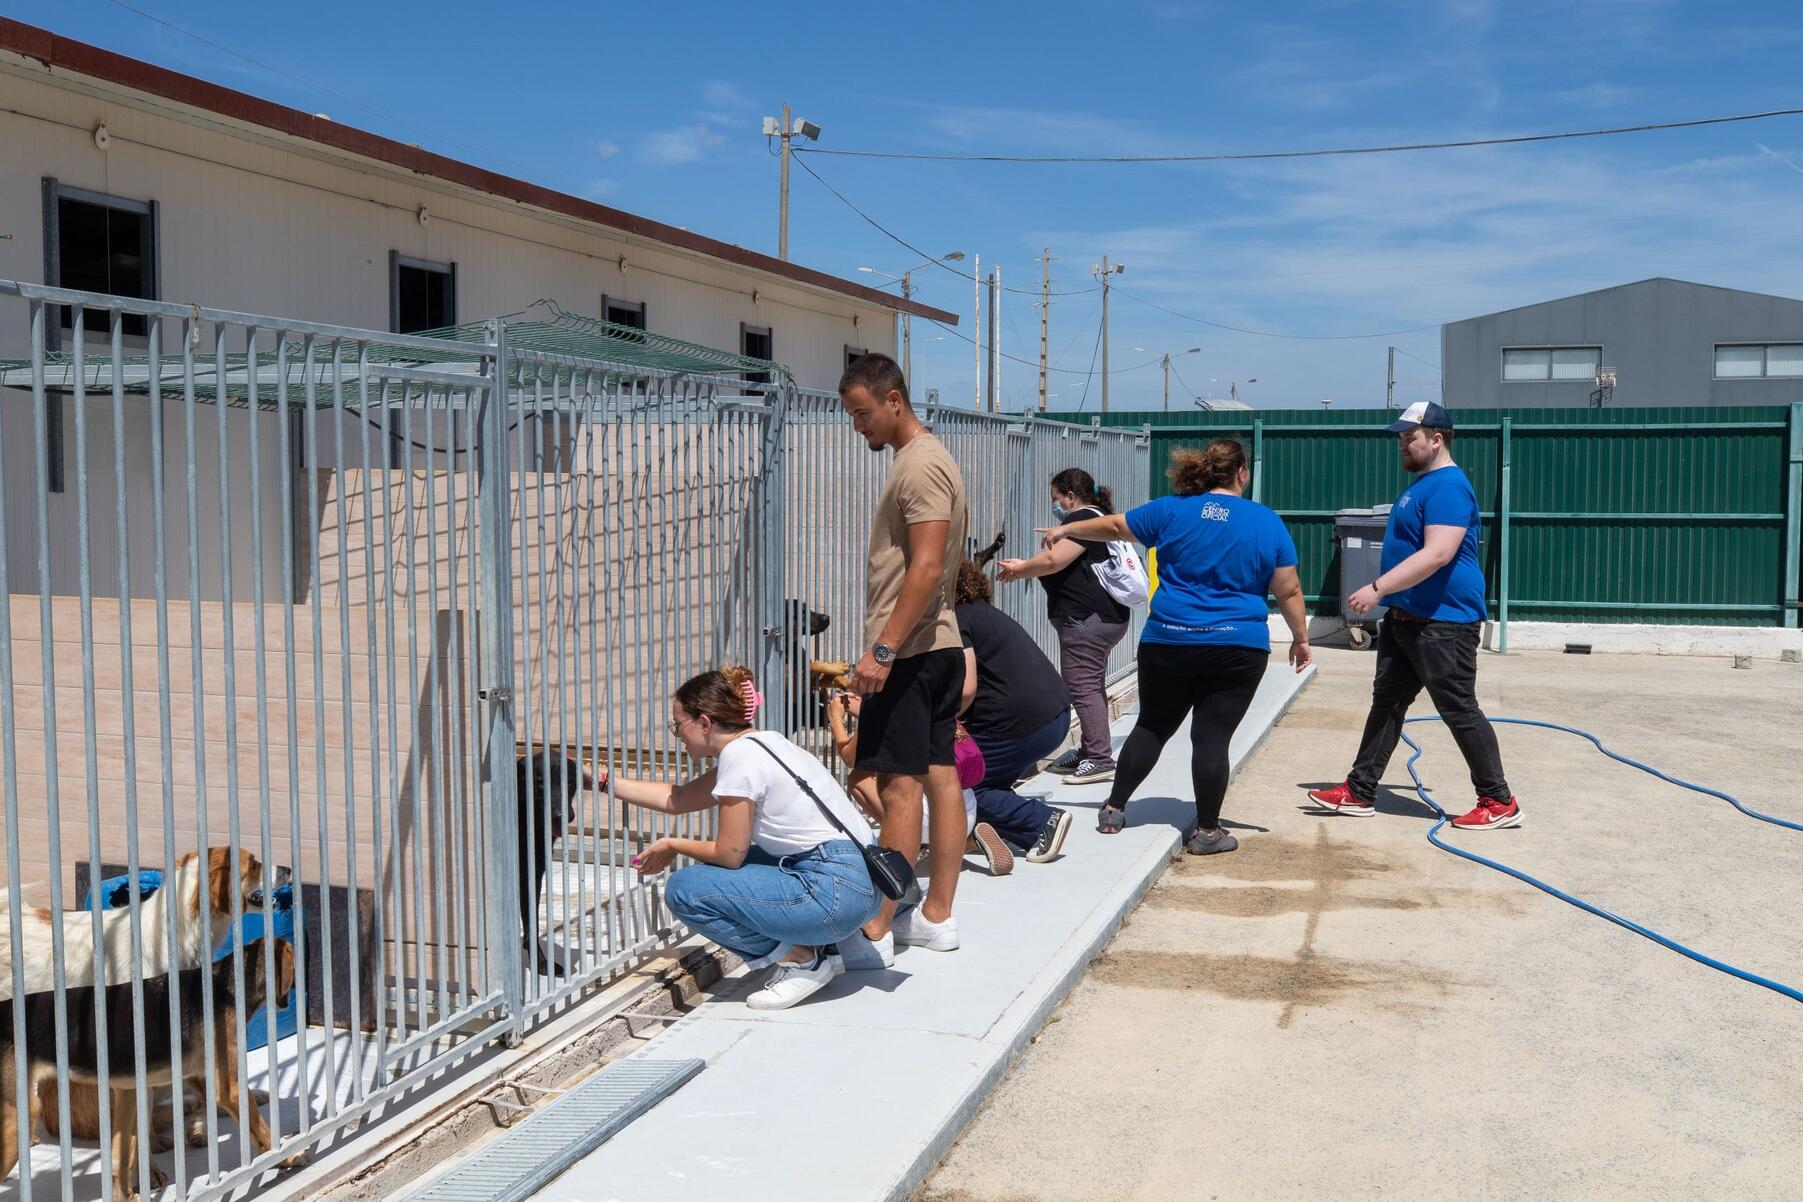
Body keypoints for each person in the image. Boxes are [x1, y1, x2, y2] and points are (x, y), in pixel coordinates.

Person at [1043, 439, 1311, 855]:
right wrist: (1300, 637)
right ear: (1242, 473)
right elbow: (1289, 589)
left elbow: (1113, 526)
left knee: (1151, 725)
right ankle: (1207, 831)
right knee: (1211, 738)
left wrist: (1067, 527)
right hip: (1237, 647)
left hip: (1169, 640)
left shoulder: (1170, 509)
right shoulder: (1265, 522)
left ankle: (1113, 808)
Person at [610, 666, 882, 1011]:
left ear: (704, 722)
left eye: (678, 724)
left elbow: (729, 854)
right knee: (745, 862)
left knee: (686, 889)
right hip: (866, 889)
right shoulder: (766, 742)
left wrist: (672, 845)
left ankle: (803, 961)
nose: (676, 733)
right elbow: (677, 799)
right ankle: (836, 945)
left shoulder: (739, 758)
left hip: (835, 898)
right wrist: (600, 780)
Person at [1308, 401, 1522, 830]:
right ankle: (1360, 790)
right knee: (1386, 705)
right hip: (1407, 619)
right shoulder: (1423, 485)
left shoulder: (1448, 487)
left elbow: (1439, 553)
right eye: (1401, 438)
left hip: (1444, 623)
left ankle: (1499, 802)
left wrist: (1377, 587)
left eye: (1411, 438)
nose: (1403, 445)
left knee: (1459, 708)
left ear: (1437, 439)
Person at [838, 352, 969, 956]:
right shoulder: (926, 460)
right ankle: (936, 916)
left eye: (863, 414)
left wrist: (884, 650)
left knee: (897, 788)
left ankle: (878, 927)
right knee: (940, 778)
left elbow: (927, 564)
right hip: (934, 645)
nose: (859, 426)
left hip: (912, 652)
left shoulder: (919, 466)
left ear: (895, 400)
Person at [995, 468, 1131, 785]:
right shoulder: (1096, 518)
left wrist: (1020, 569)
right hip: (1102, 617)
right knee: (1089, 684)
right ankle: (1089, 749)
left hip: (1087, 619)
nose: (1054, 506)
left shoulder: (1080, 521)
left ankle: (1099, 758)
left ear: (1070, 497)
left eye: (1056, 499)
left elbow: (1054, 561)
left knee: (1082, 685)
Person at [953, 561, 1076, 865]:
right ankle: (1001, 828)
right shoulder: (984, 614)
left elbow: (966, 689)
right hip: (1054, 715)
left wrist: (939, 719)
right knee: (989, 784)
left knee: (956, 784)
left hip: (1020, 725)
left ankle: (1040, 821)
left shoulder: (955, 619)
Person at [824, 691, 985, 871]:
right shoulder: (930, 696)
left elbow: (849, 758)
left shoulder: (882, 706)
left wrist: (835, 718)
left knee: (858, 777)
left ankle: (906, 846)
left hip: (925, 822)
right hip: (963, 814)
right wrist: (864, 708)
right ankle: (966, 842)